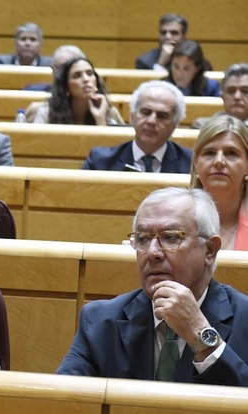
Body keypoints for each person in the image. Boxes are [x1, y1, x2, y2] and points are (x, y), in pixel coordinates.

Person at [57, 187, 248, 386]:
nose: (152, 252)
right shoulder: (100, 322)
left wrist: (200, 335)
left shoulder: (245, 319)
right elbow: (62, 401)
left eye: (171, 237)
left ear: (209, 250)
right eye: (143, 239)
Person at [82, 80, 192, 173]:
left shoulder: (191, 164)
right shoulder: (100, 161)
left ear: (175, 124)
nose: (151, 121)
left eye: (162, 115)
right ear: (132, 117)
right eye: (146, 112)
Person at [190, 115, 248, 250]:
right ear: (196, 163)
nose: (219, 161)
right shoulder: (174, 219)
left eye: (231, 153)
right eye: (209, 153)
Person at [32, 57, 124, 125]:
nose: (86, 79)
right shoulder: (46, 113)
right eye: (77, 76)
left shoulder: (110, 113)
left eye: (89, 73)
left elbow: (114, 149)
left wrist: (100, 119)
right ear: (66, 87)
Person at [135, 14, 212, 71]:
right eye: (163, 32)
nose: (167, 37)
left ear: (184, 37)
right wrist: (160, 64)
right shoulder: (144, 62)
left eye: (174, 33)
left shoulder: (199, 62)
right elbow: (147, 89)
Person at [193, 63, 248, 129]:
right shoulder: (204, 127)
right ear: (222, 96)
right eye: (231, 91)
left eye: (245, 91)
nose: (237, 97)